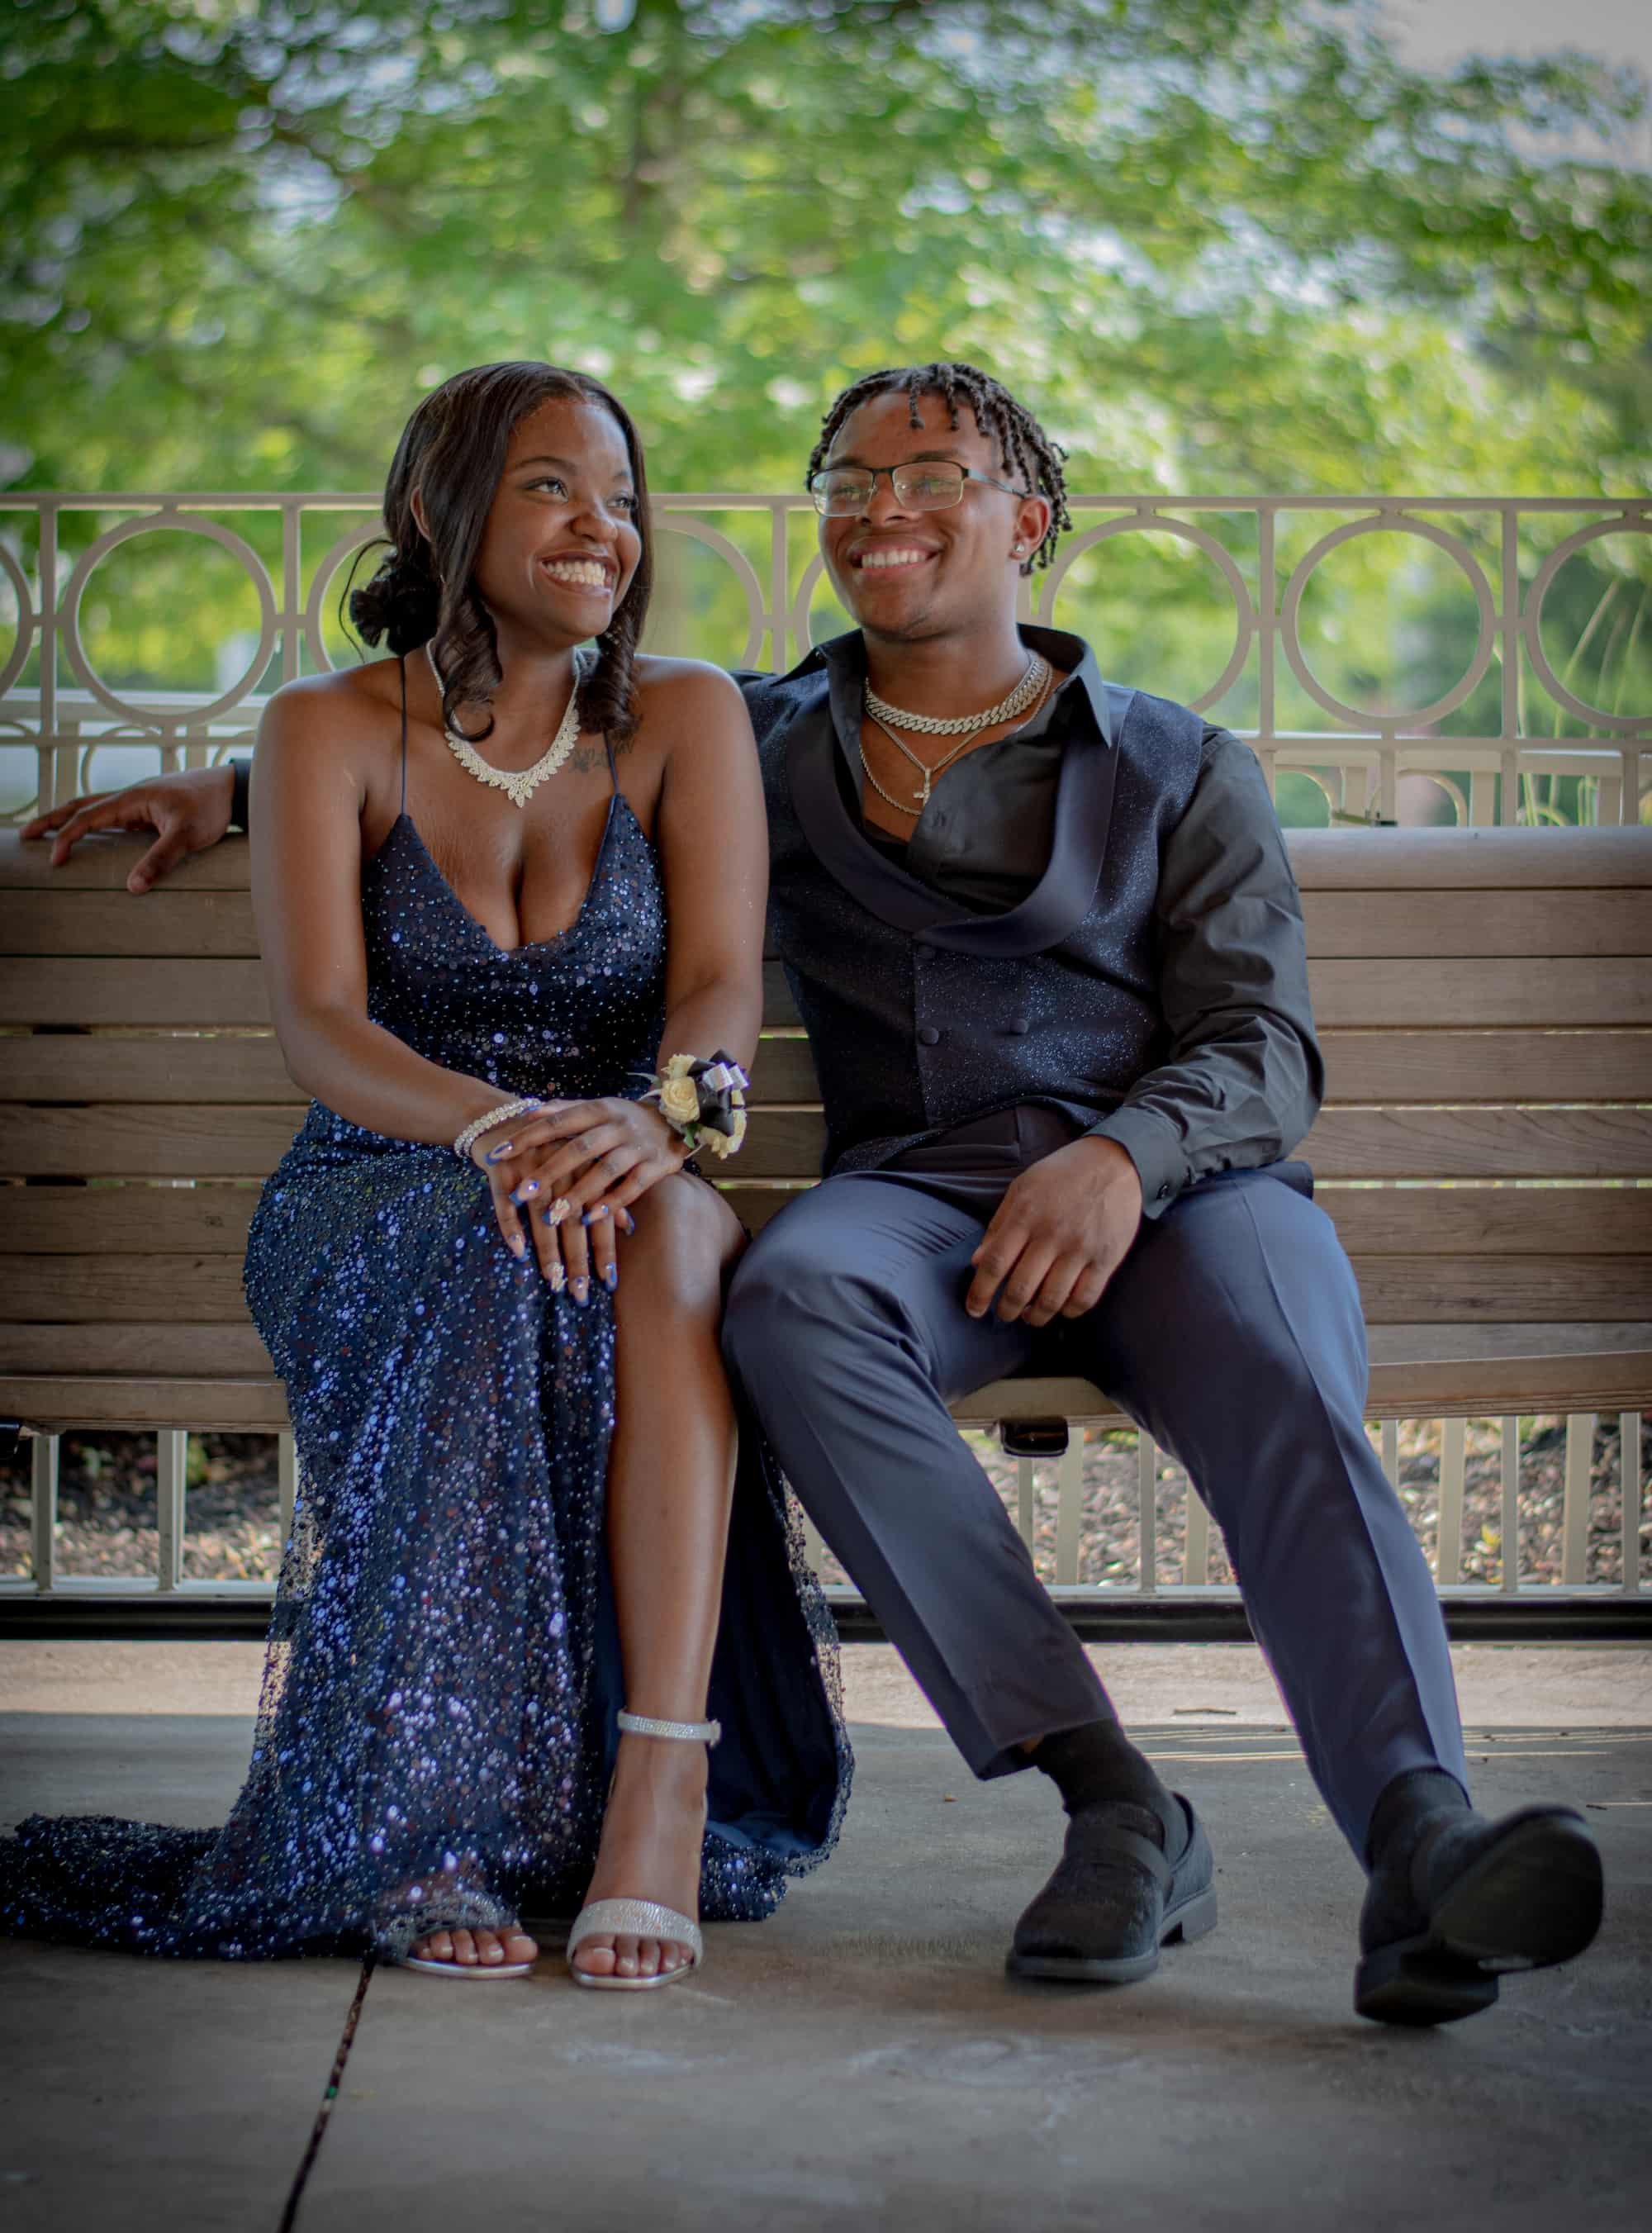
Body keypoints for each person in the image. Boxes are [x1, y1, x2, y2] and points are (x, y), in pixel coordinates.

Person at [23, 361, 1602, 2026]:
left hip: (1185, 1190)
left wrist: (1121, 1156)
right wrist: (233, 788)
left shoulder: (1181, 764)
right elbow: (493, 730)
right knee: (790, 1296)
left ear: (1029, 520)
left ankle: (1423, 1835)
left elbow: (1265, 1051)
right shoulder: (767, 731)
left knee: (1283, 1365)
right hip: (917, 1201)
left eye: (931, 473)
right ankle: (1114, 1796)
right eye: (848, 477)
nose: (881, 505)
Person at [2, 361, 847, 1988]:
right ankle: (421, 1819)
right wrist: (489, 1128)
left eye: (617, 494)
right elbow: (323, 1025)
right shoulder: (325, 728)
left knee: (680, 1232)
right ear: (434, 512)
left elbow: (722, 987)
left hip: (613, 1150)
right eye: (548, 486)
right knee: (487, 1235)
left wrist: (669, 1124)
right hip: (383, 1166)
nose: (598, 525)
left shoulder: (681, 716)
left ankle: (658, 1791)